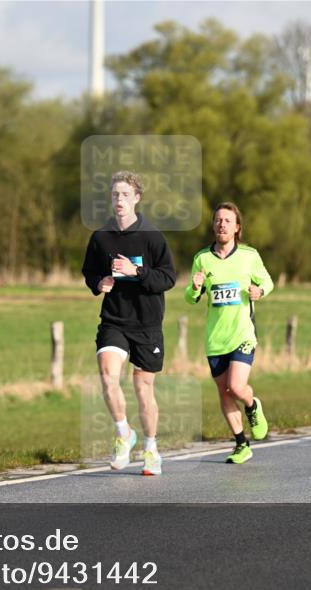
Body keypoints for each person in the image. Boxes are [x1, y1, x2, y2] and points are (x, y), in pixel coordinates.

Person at [81, 171, 176, 476]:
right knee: (109, 376)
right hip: (114, 319)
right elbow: (89, 273)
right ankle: (124, 434)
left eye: (125, 194)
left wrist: (136, 272)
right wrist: (100, 283)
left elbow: (168, 278)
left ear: (136, 198)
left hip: (147, 323)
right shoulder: (101, 237)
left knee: (142, 387)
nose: (119, 200)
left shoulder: (153, 237)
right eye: (115, 195)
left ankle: (150, 448)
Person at [185, 202, 274, 464]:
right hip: (216, 338)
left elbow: (267, 281)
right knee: (223, 393)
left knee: (236, 387)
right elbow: (192, 298)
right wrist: (194, 286)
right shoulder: (202, 258)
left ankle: (252, 405)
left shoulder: (249, 255)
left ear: (237, 228)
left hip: (242, 333)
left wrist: (260, 291)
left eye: (227, 220)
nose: (221, 224)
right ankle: (241, 444)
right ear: (213, 225)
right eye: (218, 220)